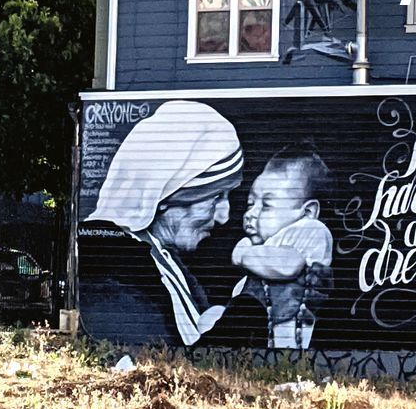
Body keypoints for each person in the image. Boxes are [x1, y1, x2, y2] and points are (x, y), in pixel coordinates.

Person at [79, 100, 246, 348]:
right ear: (166, 197)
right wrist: (250, 304)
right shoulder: (114, 271)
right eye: (216, 197)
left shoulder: (162, 259)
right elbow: (162, 360)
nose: (224, 216)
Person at [229, 143, 334, 350]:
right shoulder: (266, 248)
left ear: (307, 212)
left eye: (266, 206)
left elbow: (288, 265)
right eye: (251, 203)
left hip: (290, 344)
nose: (250, 213)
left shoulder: (311, 230)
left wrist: (244, 255)